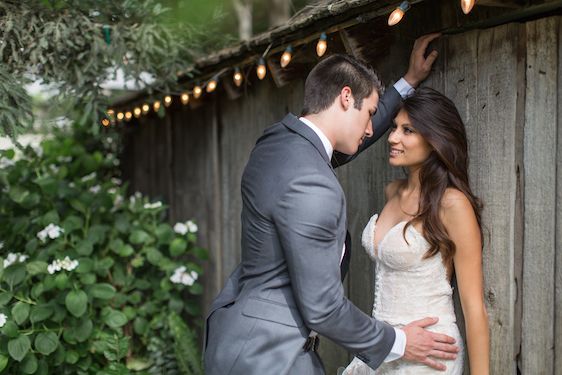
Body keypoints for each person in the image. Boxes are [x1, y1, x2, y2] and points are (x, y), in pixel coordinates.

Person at [204, 34, 460, 375]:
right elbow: (323, 308)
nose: (371, 129)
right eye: (369, 113)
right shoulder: (314, 186)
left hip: (236, 337)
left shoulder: (276, 143)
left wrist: (408, 82)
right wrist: (399, 342)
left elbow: (336, 146)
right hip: (272, 358)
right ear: (345, 97)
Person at [343, 87, 490, 374]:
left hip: (430, 354)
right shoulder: (392, 191)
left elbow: (474, 309)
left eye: (408, 130)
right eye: (395, 127)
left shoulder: (452, 204)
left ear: (435, 140)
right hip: (385, 347)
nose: (393, 137)